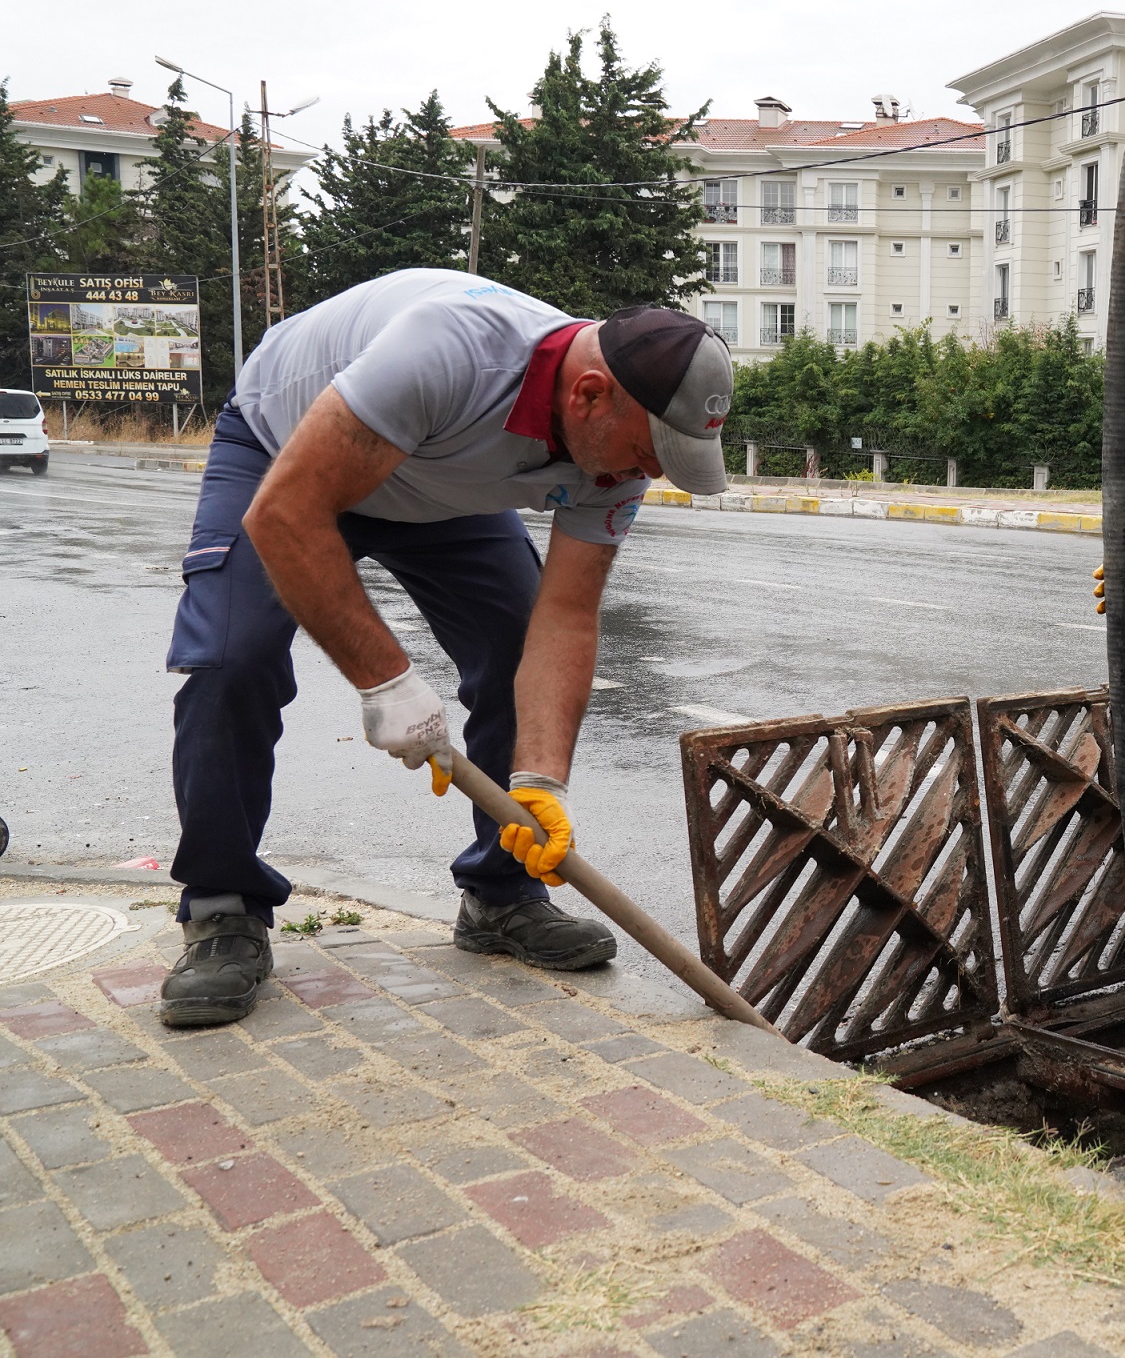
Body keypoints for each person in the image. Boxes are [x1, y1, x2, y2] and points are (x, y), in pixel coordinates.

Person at [158, 268, 735, 1028]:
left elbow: (564, 621)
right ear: (588, 394)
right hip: (285, 453)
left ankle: (502, 895)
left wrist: (540, 782)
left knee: (513, 641)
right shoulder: (450, 352)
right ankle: (223, 907)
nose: (646, 475)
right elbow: (289, 514)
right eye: (645, 452)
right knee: (233, 658)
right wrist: (386, 682)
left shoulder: (615, 453)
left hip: (442, 493)